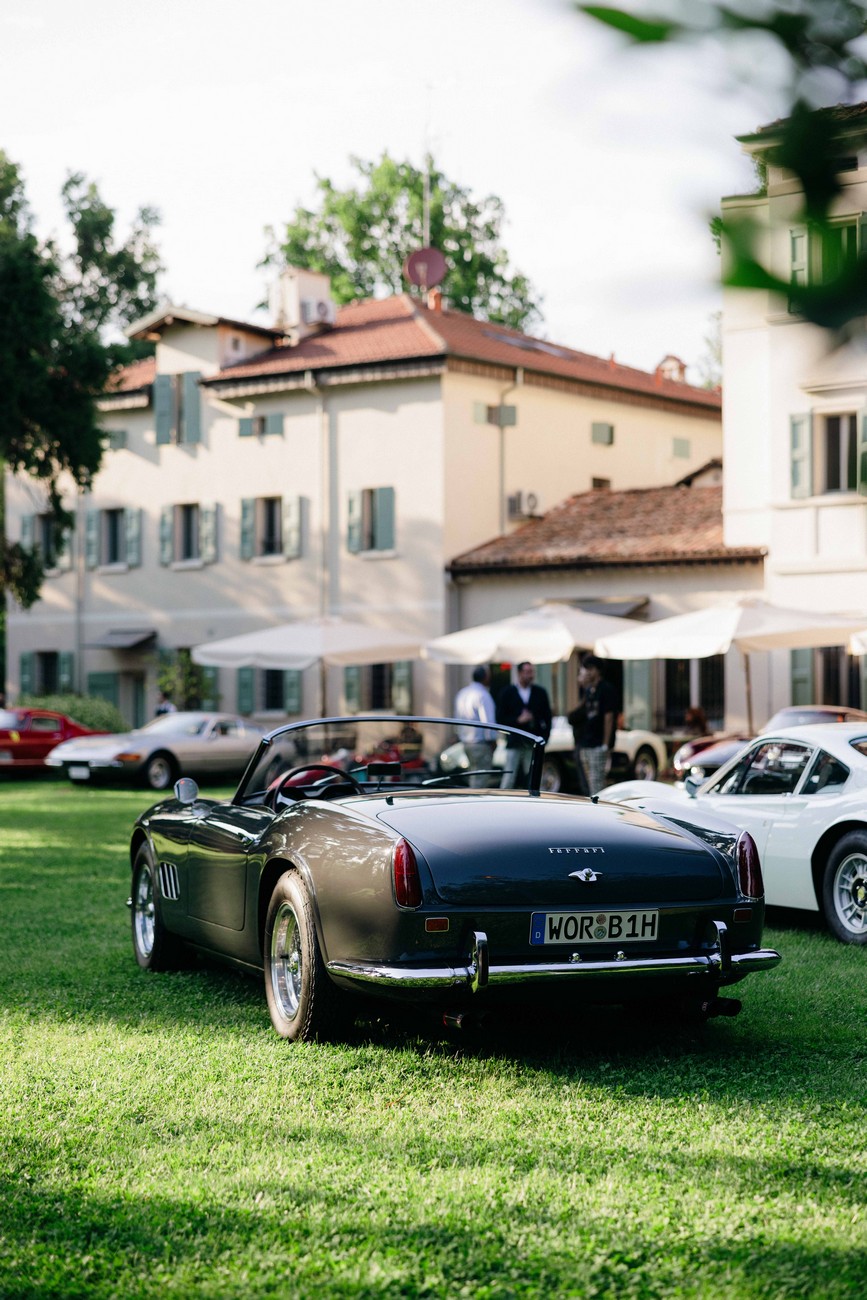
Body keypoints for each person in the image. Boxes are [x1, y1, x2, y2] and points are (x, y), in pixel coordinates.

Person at [496, 661, 552, 789]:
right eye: (527, 672)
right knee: (509, 775)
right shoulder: (507, 692)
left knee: (533, 774)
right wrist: (517, 720)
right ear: (519, 673)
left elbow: (547, 717)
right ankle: (503, 801)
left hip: (532, 740)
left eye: (532, 672)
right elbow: (500, 718)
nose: (530, 675)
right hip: (514, 740)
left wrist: (545, 738)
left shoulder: (540, 692)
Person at [574, 653, 618, 795]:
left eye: (590, 669)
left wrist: (605, 744)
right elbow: (581, 712)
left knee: (597, 782)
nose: (587, 672)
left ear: (597, 670)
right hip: (586, 741)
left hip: (598, 743)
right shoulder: (588, 690)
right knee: (589, 782)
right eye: (585, 669)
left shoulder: (606, 689)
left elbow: (609, 717)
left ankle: (599, 809)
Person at [454, 666, 497, 786]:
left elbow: (457, 719)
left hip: (466, 742)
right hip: (480, 742)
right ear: (485, 678)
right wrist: (492, 740)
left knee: (473, 775)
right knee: (480, 779)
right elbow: (488, 722)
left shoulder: (462, 693)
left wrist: (460, 735)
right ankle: (475, 802)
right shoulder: (483, 695)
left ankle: (472, 799)